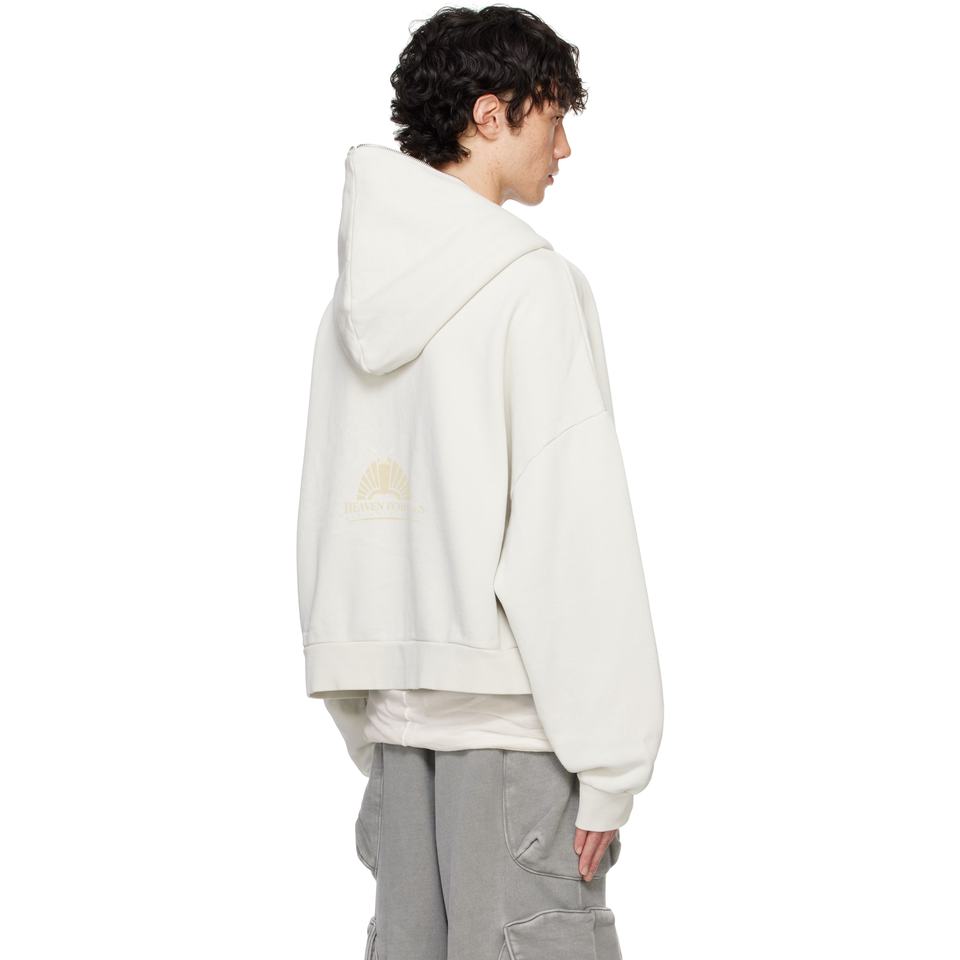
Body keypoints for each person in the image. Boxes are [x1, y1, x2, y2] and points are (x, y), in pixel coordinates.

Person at [296, 6, 664, 958]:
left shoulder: (349, 308)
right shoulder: (532, 286)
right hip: (513, 746)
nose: (565, 148)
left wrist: (369, 711)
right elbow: (571, 533)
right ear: (490, 115)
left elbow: (332, 525)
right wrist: (612, 764)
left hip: (399, 739)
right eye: (554, 118)